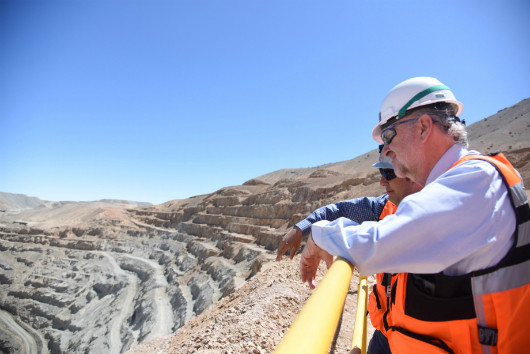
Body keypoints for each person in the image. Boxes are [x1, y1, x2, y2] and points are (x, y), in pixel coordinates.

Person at [300, 77, 530, 353]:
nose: (385, 150)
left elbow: (377, 246)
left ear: (423, 127)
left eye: (388, 136)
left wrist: (319, 233)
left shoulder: (476, 182)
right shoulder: (458, 183)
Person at [277, 151, 422, 354]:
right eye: (381, 172)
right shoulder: (383, 206)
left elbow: (378, 243)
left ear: (415, 170)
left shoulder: (445, 216)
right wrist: (301, 228)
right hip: (386, 332)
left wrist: (319, 237)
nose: (381, 181)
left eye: (389, 173)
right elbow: (337, 210)